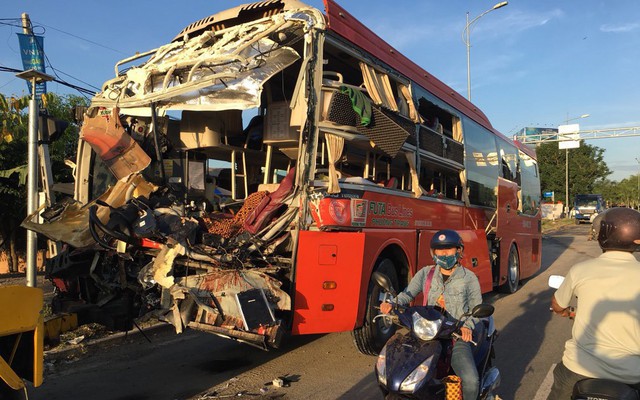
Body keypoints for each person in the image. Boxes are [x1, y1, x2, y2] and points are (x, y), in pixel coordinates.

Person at [548, 207, 640, 399]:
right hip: (633, 375)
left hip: (579, 369)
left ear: (603, 235)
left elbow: (557, 305)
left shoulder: (581, 269)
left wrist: (566, 312)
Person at [380, 229, 482, 400]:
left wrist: (467, 326)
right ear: (433, 253)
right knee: (399, 368)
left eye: (449, 249)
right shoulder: (426, 273)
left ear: (459, 251)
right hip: (426, 332)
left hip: (454, 335)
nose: (444, 254)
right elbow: (408, 294)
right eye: (439, 250)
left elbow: (477, 309)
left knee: (471, 381)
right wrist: (392, 303)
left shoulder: (469, 278)